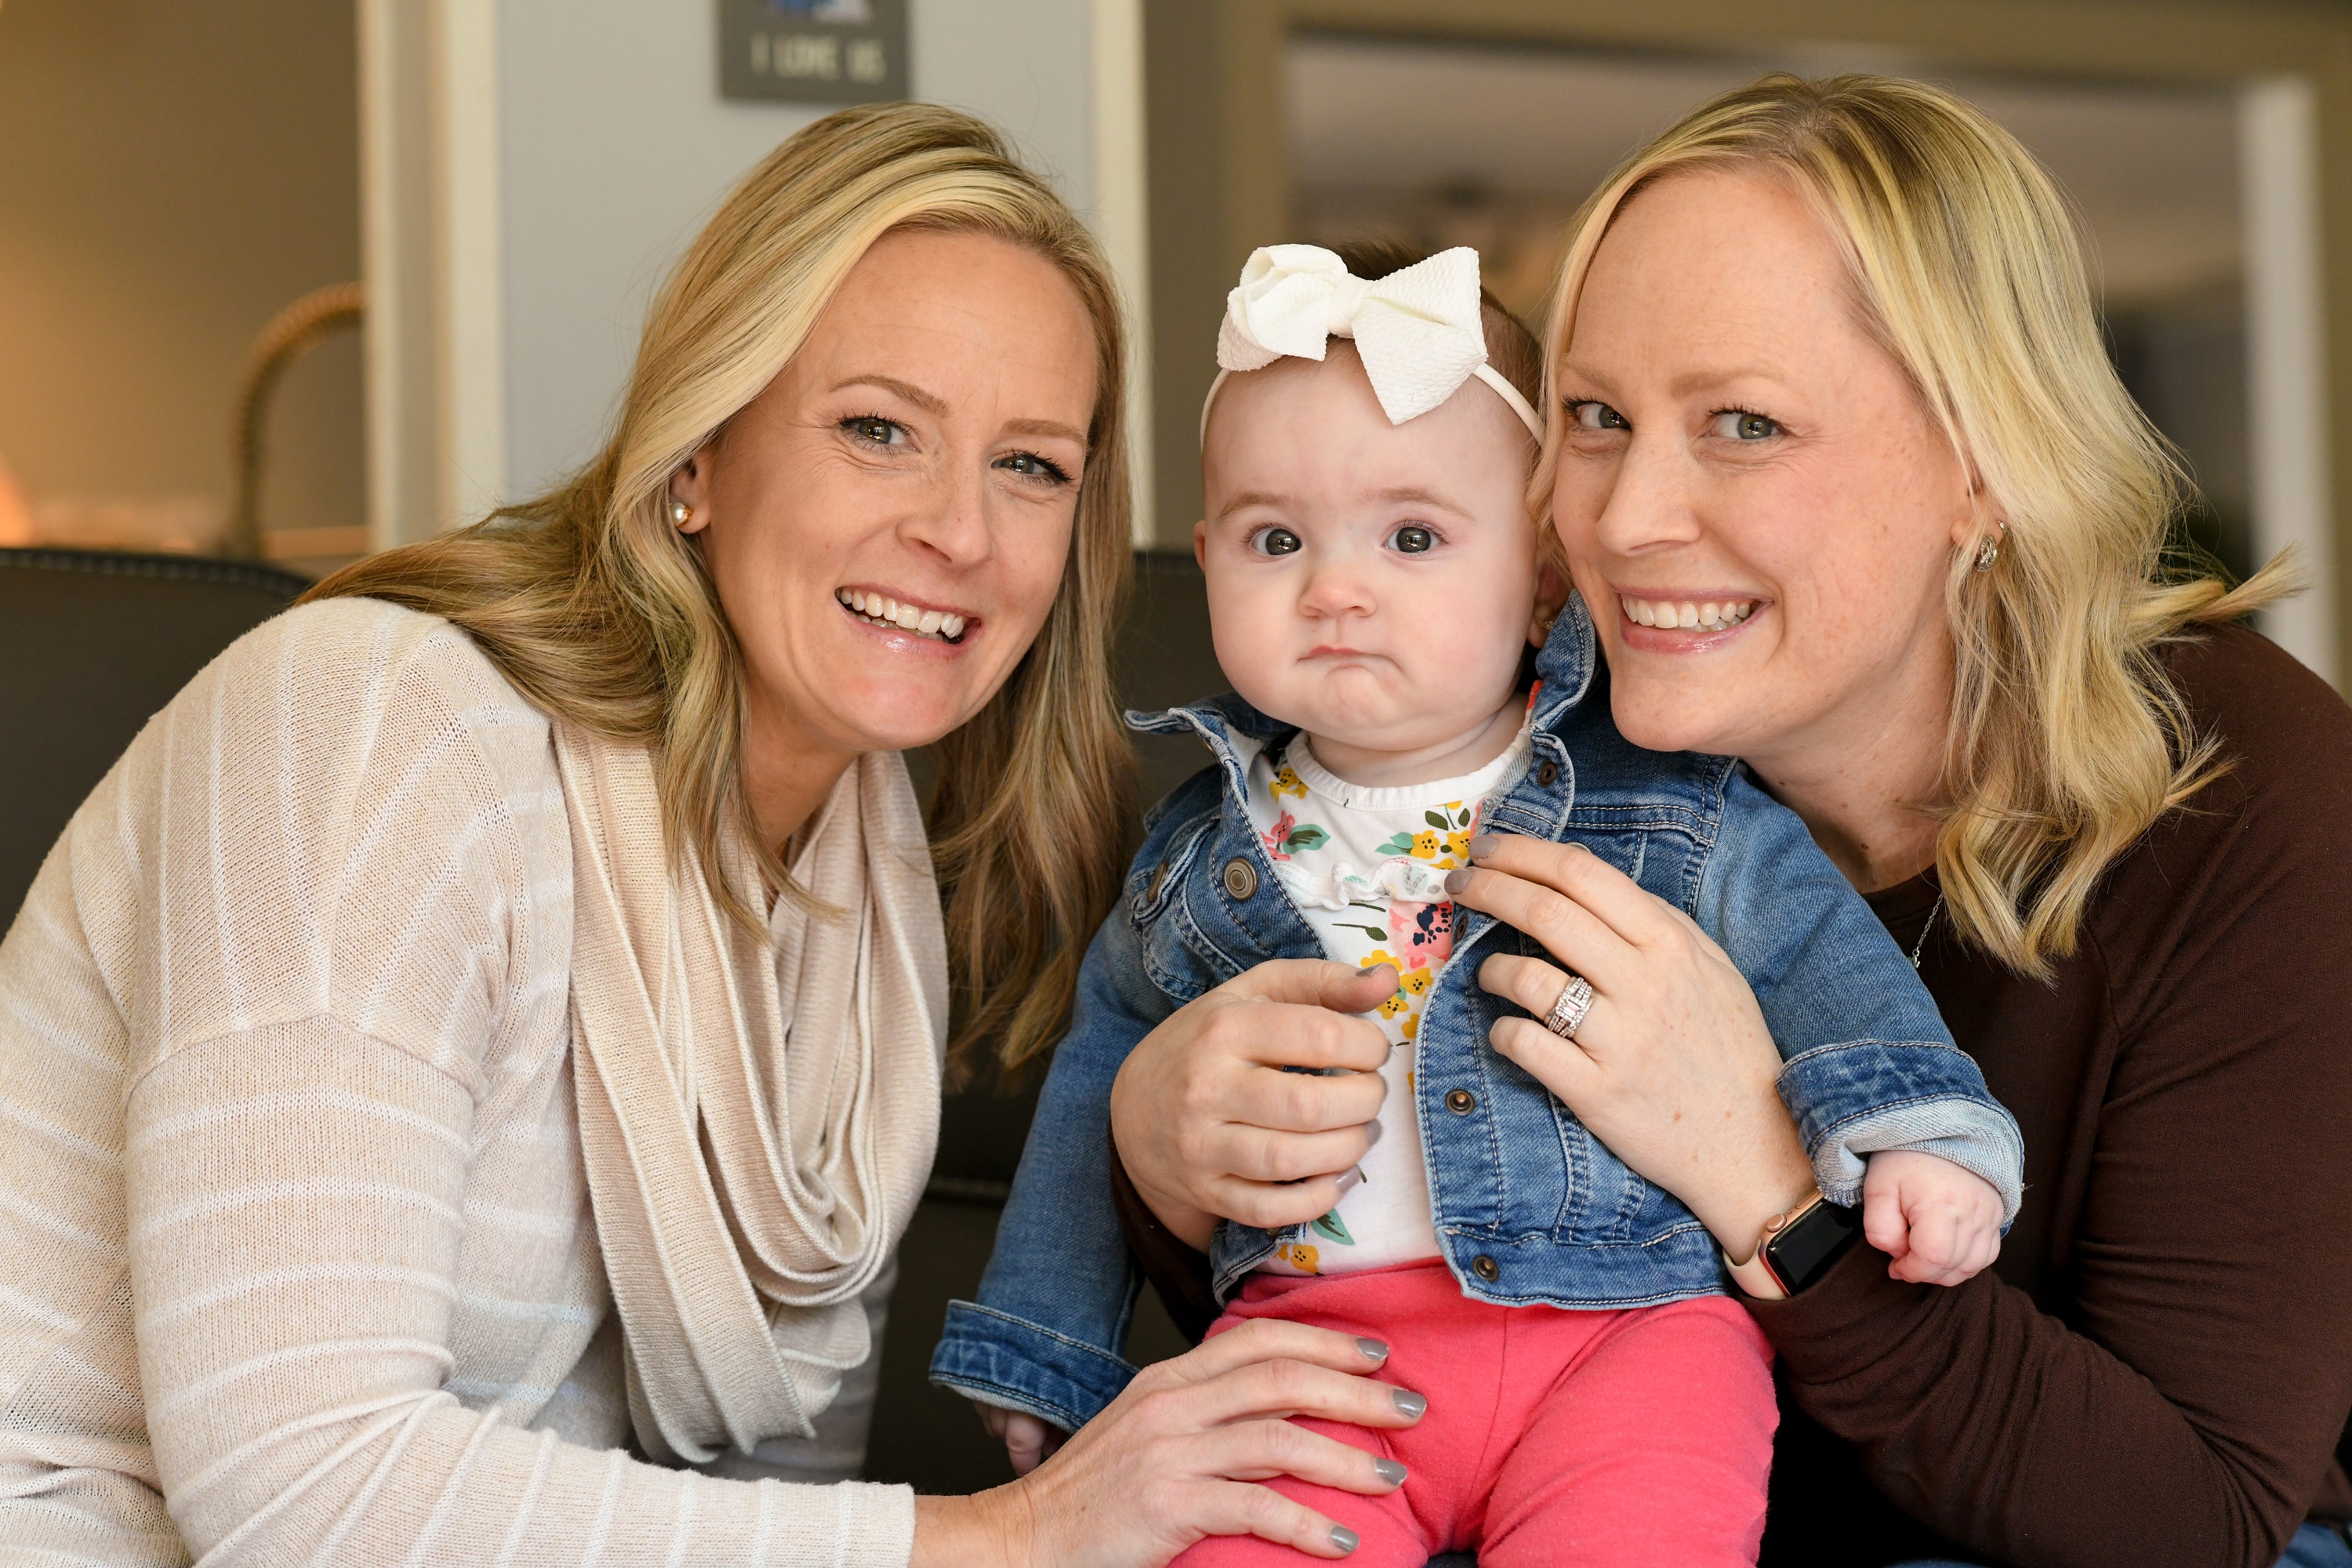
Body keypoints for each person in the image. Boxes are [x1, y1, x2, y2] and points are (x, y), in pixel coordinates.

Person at [0, 104, 1423, 1568]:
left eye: (1031, 466)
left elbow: (774, 1520)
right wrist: (1023, 1536)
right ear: (698, 453)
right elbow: (299, 1492)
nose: (961, 531)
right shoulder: (367, 724)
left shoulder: (864, 892)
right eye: (880, 429)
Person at [1105, 74, 2352, 1568]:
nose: (1626, 517)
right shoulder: (1475, 751)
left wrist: (1767, 1181)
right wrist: (1162, 1164)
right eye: (1595, 417)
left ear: (1980, 468)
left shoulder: (2238, 778)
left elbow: (2194, 1523)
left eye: (1745, 424)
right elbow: (1391, 1347)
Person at [932, 239, 2023, 1566]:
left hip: (1628, 1336)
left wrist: (1916, 1131)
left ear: (1545, 573)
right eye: (1276, 539)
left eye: (1412, 537)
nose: (1336, 588)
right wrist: (1044, 1344)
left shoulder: (1657, 796)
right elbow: (1095, 1084)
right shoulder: (1195, 854)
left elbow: (1812, 945)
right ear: (1208, 557)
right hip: (1313, 1352)